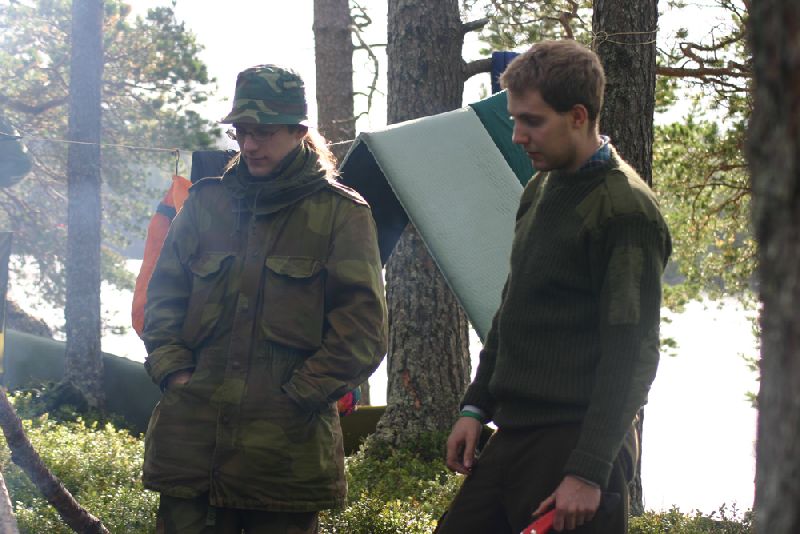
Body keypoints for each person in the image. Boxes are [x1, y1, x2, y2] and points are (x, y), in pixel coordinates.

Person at [437, 40, 672, 534]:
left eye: (533, 121)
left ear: (579, 116)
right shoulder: (540, 188)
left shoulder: (624, 211)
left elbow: (632, 355)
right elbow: (512, 309)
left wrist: (587, 472)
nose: (518, 135)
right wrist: (476, 405)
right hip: (515, 435)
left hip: (576, 444)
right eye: (515, 119)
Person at [141, 64, 388, 534]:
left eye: (264, 132)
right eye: (241, 132)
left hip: (284, 460)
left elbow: (362, 333)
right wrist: (175, 374)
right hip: (193, 450)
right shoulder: (205, 204)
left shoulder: (340, 214)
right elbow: (162, 301)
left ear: (298, 132)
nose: (250, 145)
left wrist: (295, 398)